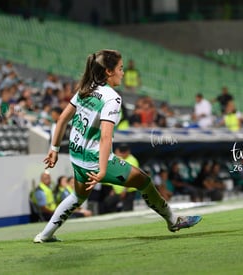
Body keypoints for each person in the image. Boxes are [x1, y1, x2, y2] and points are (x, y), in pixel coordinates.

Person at [34, 50, 202, 243]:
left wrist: (54, 150)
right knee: (145, 182)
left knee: (78, 197)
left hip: (77, 156)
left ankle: (44, 235)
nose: (122, 73)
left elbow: (63, 118)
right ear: (108, 71)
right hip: (94, 160)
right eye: (120, 69)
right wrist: (103, 170)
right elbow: (106, 137)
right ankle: (173, 221)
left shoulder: (86, 88)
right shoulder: (111, 98)